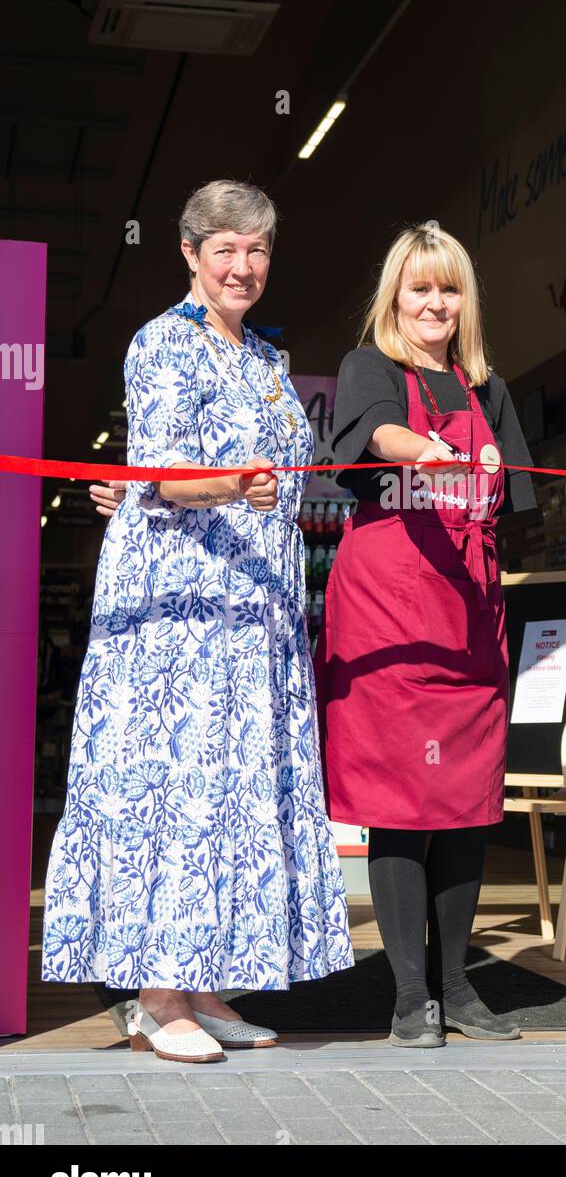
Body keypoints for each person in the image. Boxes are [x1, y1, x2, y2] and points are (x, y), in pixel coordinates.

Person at [44, 180, 353, 1063]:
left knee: (235, 788)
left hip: (255, 608)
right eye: (224, 248)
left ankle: (205, 984)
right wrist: (233, 483)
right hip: (180, 615)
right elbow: (160, 474)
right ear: (188, 253)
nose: (242, 265)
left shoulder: (263, 357)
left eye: (256, 249)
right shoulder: (160, 345)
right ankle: (155, 993)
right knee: (176, 783)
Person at [316, 223, 538, 1047]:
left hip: (470, 620)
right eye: (419, 289)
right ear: (395, 299)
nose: (434, 303)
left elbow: (514, 504)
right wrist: (431, 454)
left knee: (465, 804)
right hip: (391, 617)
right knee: (403, 807)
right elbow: (380, 435)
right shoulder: (369, 368)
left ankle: (458, 986)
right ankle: (411, 995)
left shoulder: (492, 391)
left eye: (447, 289)